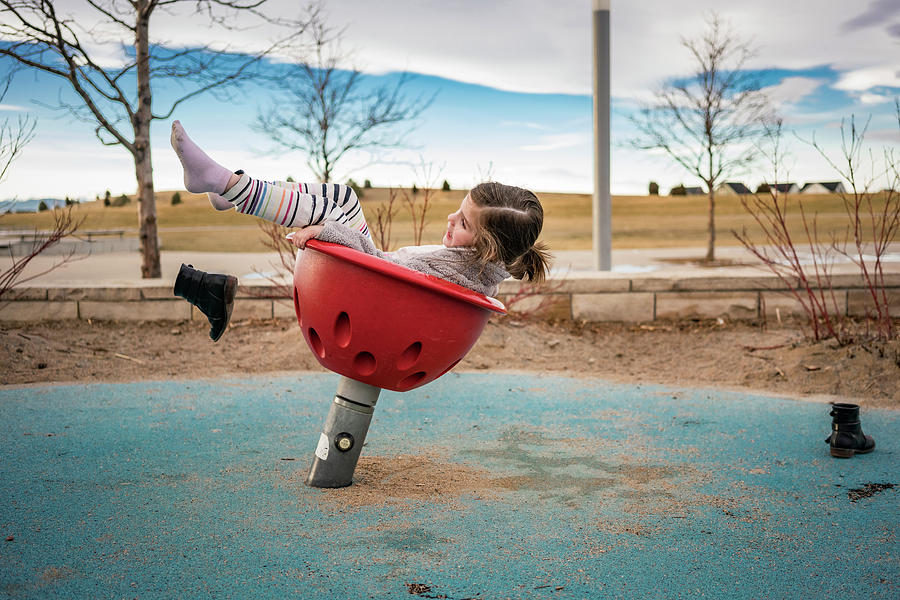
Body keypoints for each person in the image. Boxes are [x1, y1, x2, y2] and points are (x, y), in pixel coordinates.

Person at [169, 120, 550, 341]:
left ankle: (227, 184)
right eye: (459, 211)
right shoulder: (474, 266)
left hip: (369, 309)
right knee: (344, 197)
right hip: (375, 294)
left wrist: (329, 231)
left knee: (333, 211)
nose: (451, 219)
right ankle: (232, 189)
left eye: (464, 223)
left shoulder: (460, 269)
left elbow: (386, 268)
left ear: (485, 248)